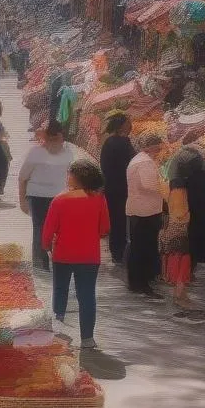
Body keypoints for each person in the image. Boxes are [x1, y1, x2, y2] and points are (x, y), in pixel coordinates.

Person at [41, 160, 121, 376]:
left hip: (63, 254)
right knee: (87, 296)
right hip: (88, 255)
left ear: (77, 177)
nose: (67, 177)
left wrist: (46, 245)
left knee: (60, 290)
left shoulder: (59, 200)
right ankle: (87, 338)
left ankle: (58, 330)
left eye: (69, 174)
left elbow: (48, 230)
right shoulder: (99, 200)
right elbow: (104, 228)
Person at [166, 146, 205, 315]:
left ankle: (180, 293)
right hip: (191, 228)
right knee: (186, 260)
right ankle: (180, 295)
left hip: (189, 227)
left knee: (186, 260)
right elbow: (203, 196)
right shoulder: (194, 180)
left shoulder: (178, 184)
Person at [19, 121, 77, 271]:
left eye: (58, 139)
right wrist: (22, 201)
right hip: (37, 197)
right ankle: (40, 264)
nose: (55, 142)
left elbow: (71, 178)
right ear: (47, 137)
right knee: (40, 229)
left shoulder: (68, 153)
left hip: (60, 198)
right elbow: (22, 177)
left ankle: (59, 261)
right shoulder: (35, 152)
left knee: (59, 231)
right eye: (52, 138)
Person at [126, 133, 166, 300]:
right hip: (145, 211)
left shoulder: (139, 160)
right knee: (143, 247)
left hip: (140, 209)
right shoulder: (145, 162)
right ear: (151, 147)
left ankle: (139, 281)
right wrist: (166, 186)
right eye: (158, 147)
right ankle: (141, 283)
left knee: (139, 246)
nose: (159, 150)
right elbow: (149, 185)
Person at [99, 113, 136, 267]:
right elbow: (132, 163)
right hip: (123, 187)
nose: (131, 126)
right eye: (128, 123)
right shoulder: (124, 143)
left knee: (115, 219)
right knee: (121, 220)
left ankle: (116, 252)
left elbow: (103, 166)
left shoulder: (108, 142)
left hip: (110, 186)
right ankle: (120, 252)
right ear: (122, 126)